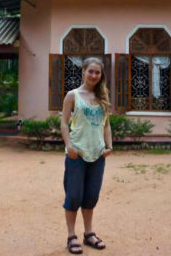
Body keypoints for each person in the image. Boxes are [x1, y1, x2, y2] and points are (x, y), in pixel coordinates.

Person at [60, 57, 113, 254]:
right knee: (74, 196)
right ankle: (71, 236)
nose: (93, 75)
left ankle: (89, 234)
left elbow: (106, 124)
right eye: (90, 71)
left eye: (97, 72)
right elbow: (64, 123)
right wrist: (69, 145)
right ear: (83, 71)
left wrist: (109, 146)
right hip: (77, 154)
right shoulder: (72, 95)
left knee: (91, 196)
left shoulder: (103, 97)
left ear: (101, 75)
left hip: (98, 155)